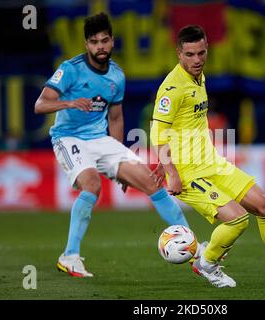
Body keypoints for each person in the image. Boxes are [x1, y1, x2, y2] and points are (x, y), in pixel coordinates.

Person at [150, 25, 265, 288]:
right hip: (188, 173)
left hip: (212, 163)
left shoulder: (199, 78)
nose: (197, 60)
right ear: (178, 54)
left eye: (201, 53)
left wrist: (163, 162)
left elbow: (180, 128)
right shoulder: (172, 89)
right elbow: (157, 133)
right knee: (238, 219)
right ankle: (206, 264)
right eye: (190, 54)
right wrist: (171, 171)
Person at [34, 12, 191, 278]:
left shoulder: (116, 76)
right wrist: (69, 103)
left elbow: (116, 117)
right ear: (86, 45)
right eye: (94, 42)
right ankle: (69, 256)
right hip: (68, 137)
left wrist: (118, 161)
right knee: (92, 185)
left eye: (104, 41)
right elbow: (40, 104)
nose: (100, 47)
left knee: (152, 182)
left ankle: (193, 248)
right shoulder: (70, 69)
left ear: (112, 41)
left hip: (101, 140)